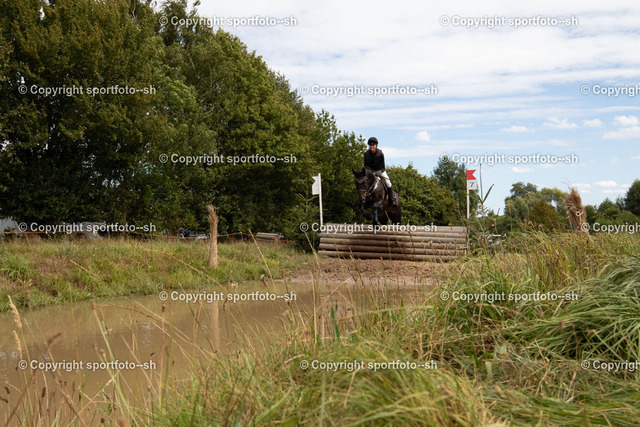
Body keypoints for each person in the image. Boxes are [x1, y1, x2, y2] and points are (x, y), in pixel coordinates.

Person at [364, 137, 398, 207]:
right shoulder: (366, 154)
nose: (372, 147)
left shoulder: (380, 154)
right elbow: (365, 166)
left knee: (388, 183)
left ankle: (392, 200)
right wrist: (369, 172)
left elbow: (383, 167)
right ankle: (363, 199)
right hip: (370, 173)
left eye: (373, 145)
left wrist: (379, 172)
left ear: (376, 145)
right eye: (370, 145)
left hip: (380, 171)